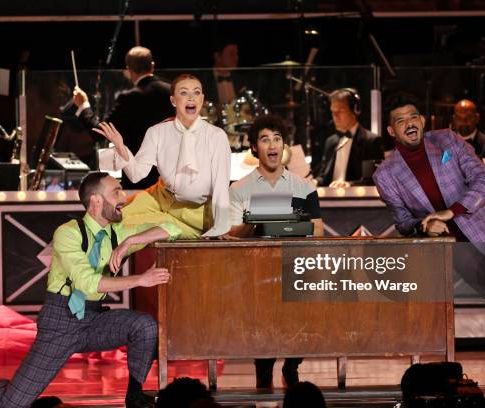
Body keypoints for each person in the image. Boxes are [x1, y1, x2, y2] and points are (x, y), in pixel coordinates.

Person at [373, 94, 485, 400]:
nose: (410, 123)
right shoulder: (386, 174)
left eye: (414, 116)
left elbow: (483, 181)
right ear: (392, 131)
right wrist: (424, 225)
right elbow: (403, 221)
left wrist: (452, 210)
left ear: (422, 121)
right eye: (401, 120)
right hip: (463, 252)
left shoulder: (447, 141)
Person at [0, 172, 182, 408]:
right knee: (10, 405)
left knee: (144, 326)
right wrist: (140, 279)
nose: (124, 197)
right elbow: (87, 282)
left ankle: (135, 397)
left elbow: (172, 227)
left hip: (94, 319)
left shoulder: (120, 233)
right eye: (116, 191)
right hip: (61, 321)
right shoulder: (68, 233)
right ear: (96, 200)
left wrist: (131, 242)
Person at [228, 115, 323, 388]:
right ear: (254, 148)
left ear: (284, 146)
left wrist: (293, 222)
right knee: (263, 327)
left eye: (277, 139)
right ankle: (264, 372)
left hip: (296, 268)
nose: (272, 145)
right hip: (256, 274)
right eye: (265, 139)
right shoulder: (239, 189)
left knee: (302, 321)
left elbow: (318, 230)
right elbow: (233, 235)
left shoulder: (303, 187)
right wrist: (255, 218)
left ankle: (292, 367)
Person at [94, 74, 232, 239]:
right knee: (108, 220)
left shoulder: (216, 136)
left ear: (202, 99)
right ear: (173, 100)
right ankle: (67, 248)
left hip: (195, 213)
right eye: (184, 93)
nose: (191, 98)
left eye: (196, 93)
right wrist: (120, 146)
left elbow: (221, 187)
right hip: (159, 198)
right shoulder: (157, 132)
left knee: (127, 230)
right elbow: (137, 174)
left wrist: (221, 228)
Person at [73, 46, 173, 189]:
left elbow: (101, 133)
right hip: (172, 179)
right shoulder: (172, 92)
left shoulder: (129, 98)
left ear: (128, 70)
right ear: (152, 66)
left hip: (140, 183)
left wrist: (83, 106)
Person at [314, 88, 384, 187]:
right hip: (329, 199)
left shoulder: (371, 141)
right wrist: (315, 182)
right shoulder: (330, 141)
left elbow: (372, 180)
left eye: (340, 111)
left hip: (357, 200)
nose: (335, 116)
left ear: (355, 110)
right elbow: (323, 176)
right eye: (333, 111)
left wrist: (349, 184)